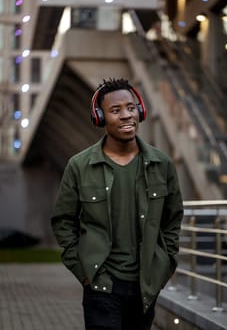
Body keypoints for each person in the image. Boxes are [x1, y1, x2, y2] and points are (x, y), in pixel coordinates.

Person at [51, 78, 183, 330]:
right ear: (100, 117)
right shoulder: (79, 166)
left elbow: (173, 218)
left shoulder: (161, 164)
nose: (126, 116)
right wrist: (84, 272)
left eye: (131, 108)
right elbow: (63, 221)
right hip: (101, 285)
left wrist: (165, 264)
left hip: (145, 285)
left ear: (140, 111)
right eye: (115, 110)